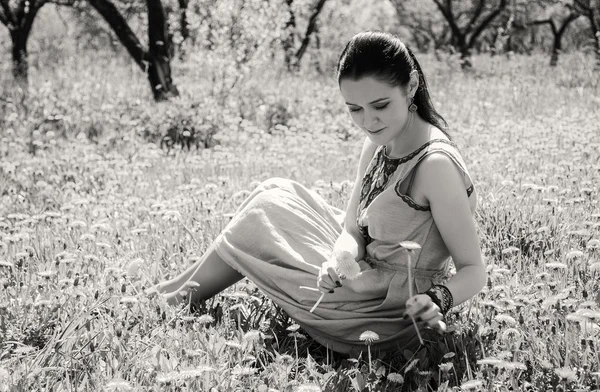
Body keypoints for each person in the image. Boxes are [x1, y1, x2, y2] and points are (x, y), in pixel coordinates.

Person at [154, 31, 486, 355]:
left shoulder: (435, 166)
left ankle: (172, 300)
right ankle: (169, 293)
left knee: (264, 212)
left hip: (385, 311)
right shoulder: (379, 140)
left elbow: (473, 270)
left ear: (411, 85)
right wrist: (338, 259)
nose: (368, 121)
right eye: (354, 109)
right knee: (274, 190)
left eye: (380, 105)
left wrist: (436, 299)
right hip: (358, 272)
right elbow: (353, 229)